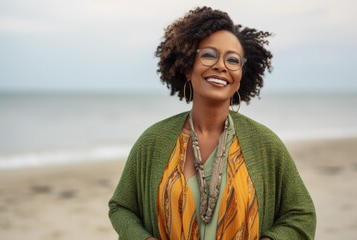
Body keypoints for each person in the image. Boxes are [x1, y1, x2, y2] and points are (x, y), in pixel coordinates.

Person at [109, 6, 316, 240]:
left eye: (233, 60)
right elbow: (121, 208)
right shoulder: (153, 141)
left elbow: (301, 214)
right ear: (187, 66)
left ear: (240, 77)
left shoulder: (264, 144)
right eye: (208, 55)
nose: (221, 65)